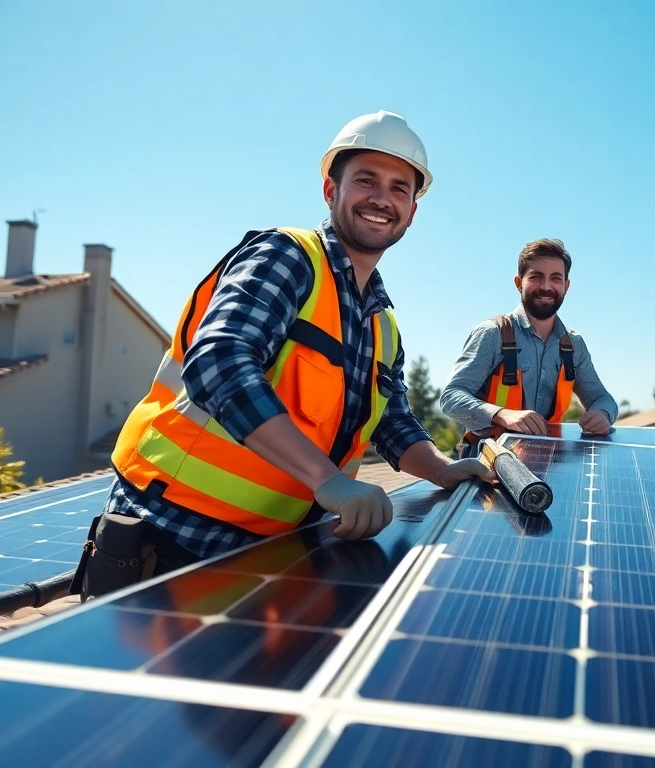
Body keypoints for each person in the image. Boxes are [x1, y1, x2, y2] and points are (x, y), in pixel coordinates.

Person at [75, 111, 495, 598]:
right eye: (366, 180)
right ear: (330, 191)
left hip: (265, 555)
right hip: (173, 541)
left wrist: (442, 469)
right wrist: (328, 480)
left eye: (400, 188)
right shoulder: (286, 257)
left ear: (412, 211)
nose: (383, 199)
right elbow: (220, 360)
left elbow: (391, 420)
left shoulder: (383, 324)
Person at [440, 238, 618, 446]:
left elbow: (602, 398)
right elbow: (451, 397)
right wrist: (501, 414)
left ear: (566, 286)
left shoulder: (574, 345)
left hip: (550, 459)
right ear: (518, 283)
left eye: (555, 278)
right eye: (536, 277)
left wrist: (602, 413)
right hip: (491, 459)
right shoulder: (492, 334)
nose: (546, 286)